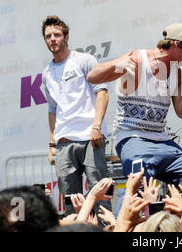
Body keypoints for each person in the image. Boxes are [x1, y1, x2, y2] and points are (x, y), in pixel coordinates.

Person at [87, 23, 182, 211]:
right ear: (177, 44)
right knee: (139, 186)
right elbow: (92, 77)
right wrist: (115, 64)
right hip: (132, 136)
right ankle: (120, 226)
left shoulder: (179, 72)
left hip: (161, 140)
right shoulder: (138, 59)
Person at [41, 15, 110, 215]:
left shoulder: (84, 60)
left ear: (66, 36)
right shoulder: (46, 73)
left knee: (100, 193)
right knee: (70, 201)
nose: (52, 39)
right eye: (48, 36)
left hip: (91, 138)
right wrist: (52, 144)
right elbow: (52, 110)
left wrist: (96, 127)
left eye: (57, 34)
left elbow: (102, 93)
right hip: (63, 143)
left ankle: (107, 228)